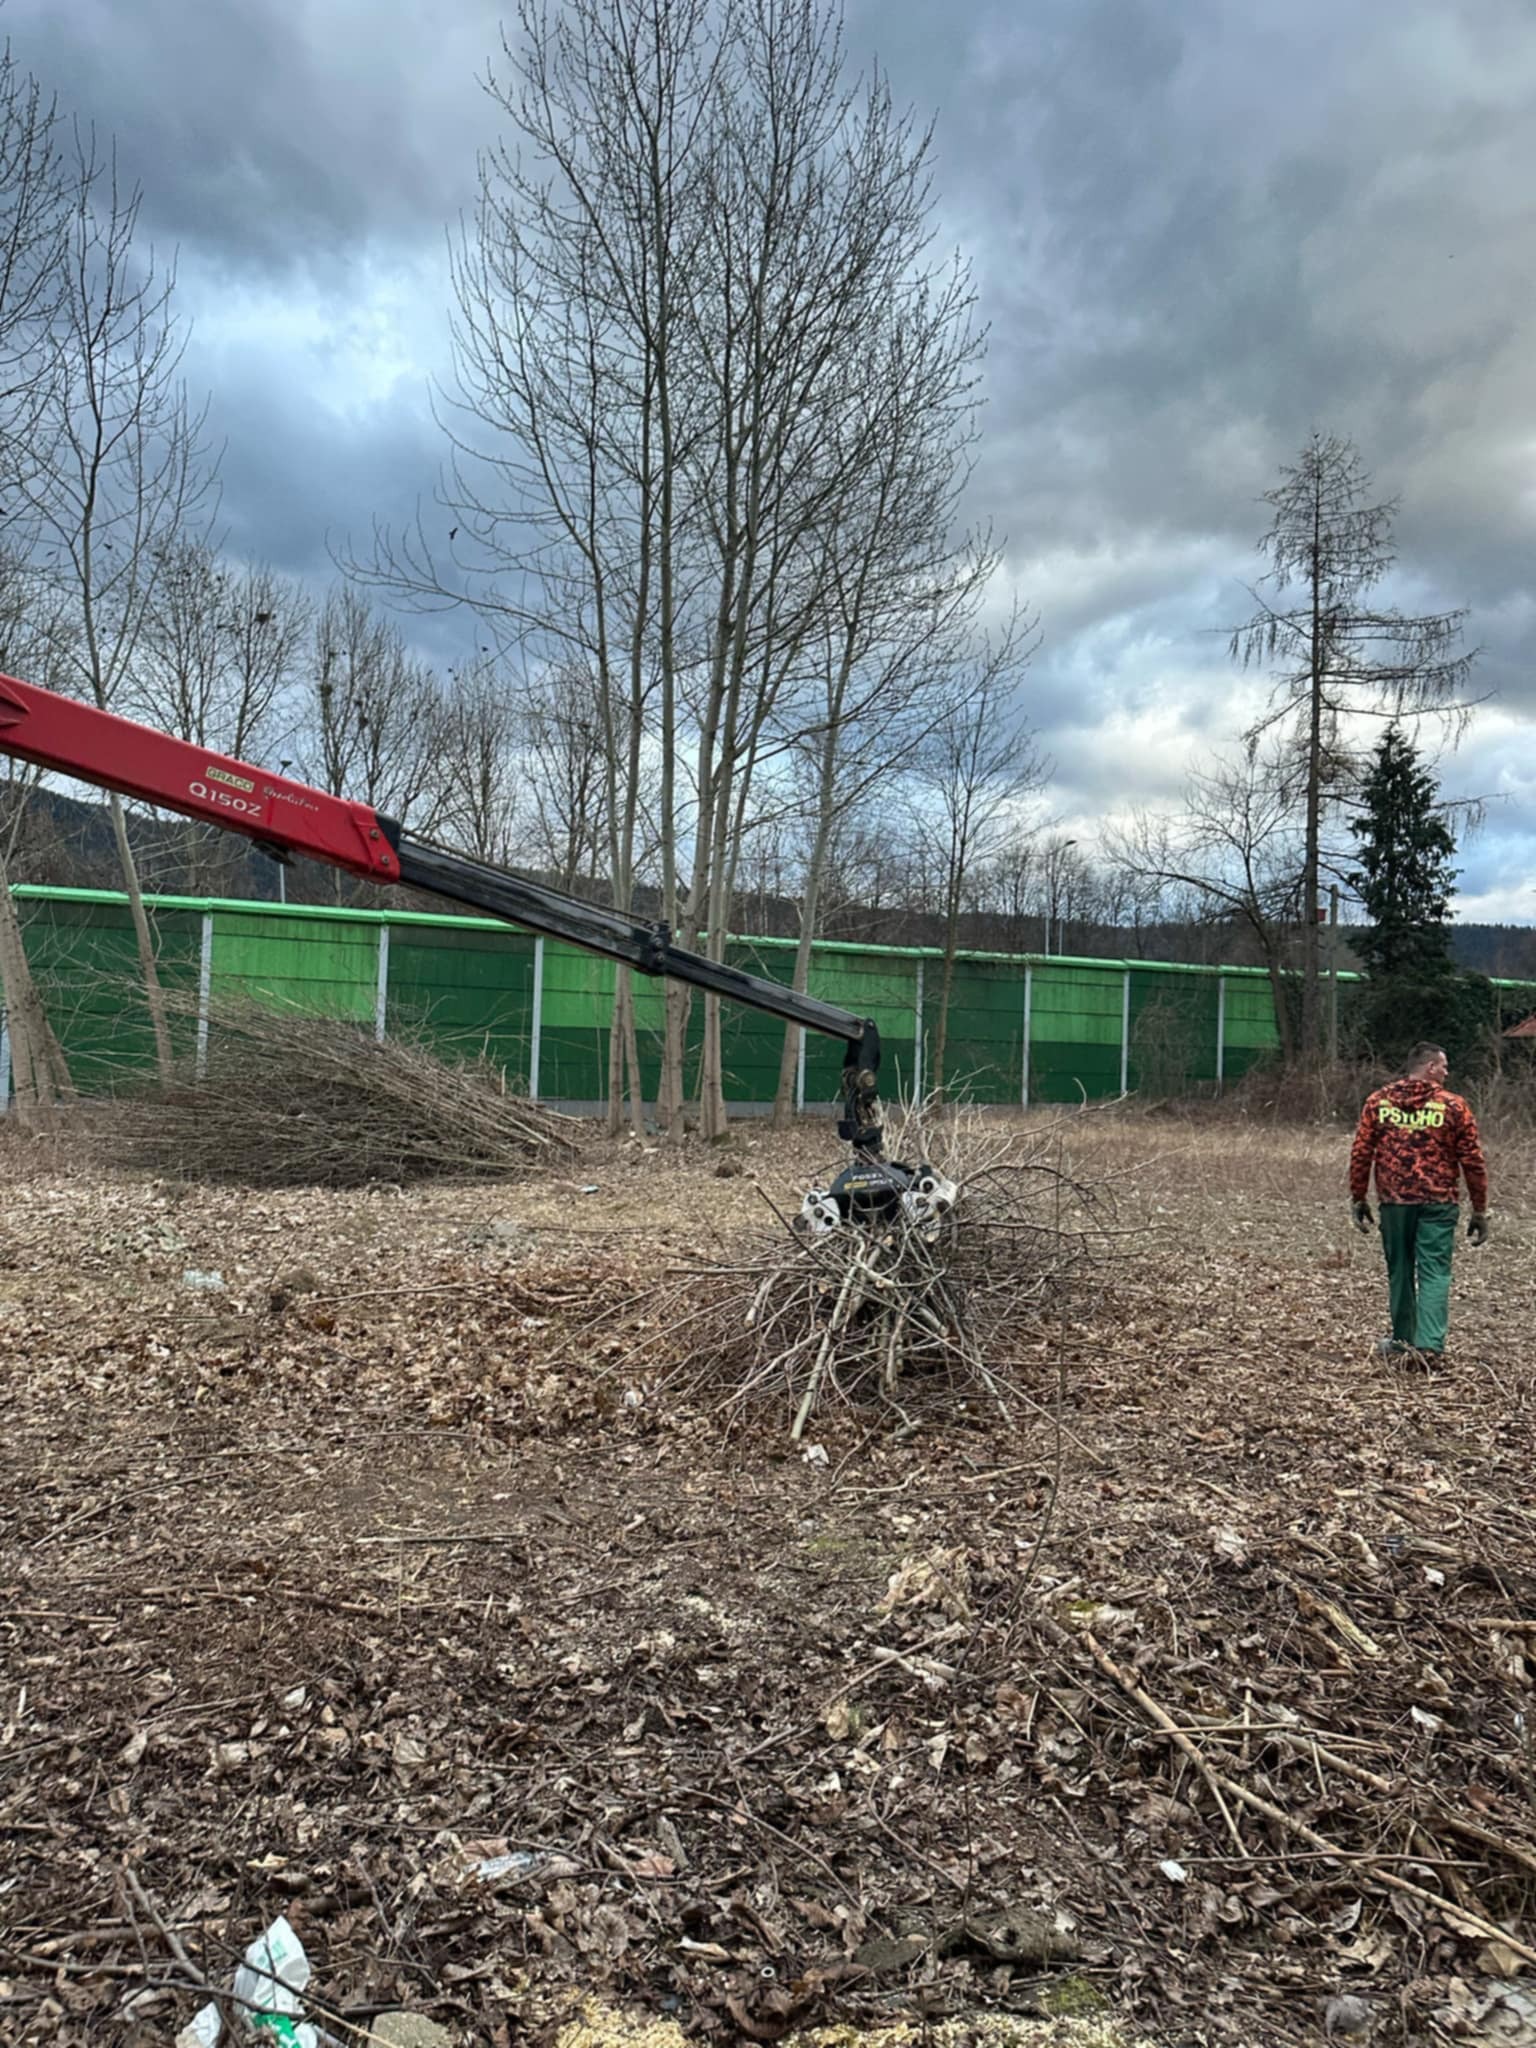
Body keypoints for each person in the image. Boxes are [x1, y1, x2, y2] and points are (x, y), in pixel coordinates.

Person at [1348, 1041, 1489, 1366]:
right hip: (1439, 1201)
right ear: (1429, 1068)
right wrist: (1479, 1208)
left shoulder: (1378, 1101)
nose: (1447, 1071)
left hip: (1395, 1202)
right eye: (1443, 1065)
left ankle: (1402, 1341)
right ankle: (1430, 1347)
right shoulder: (1454, 1107)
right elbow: (1473, 1160)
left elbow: (1361, 1153)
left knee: (1399, 1270)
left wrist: (1359, 1197)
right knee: (1435, 1271)